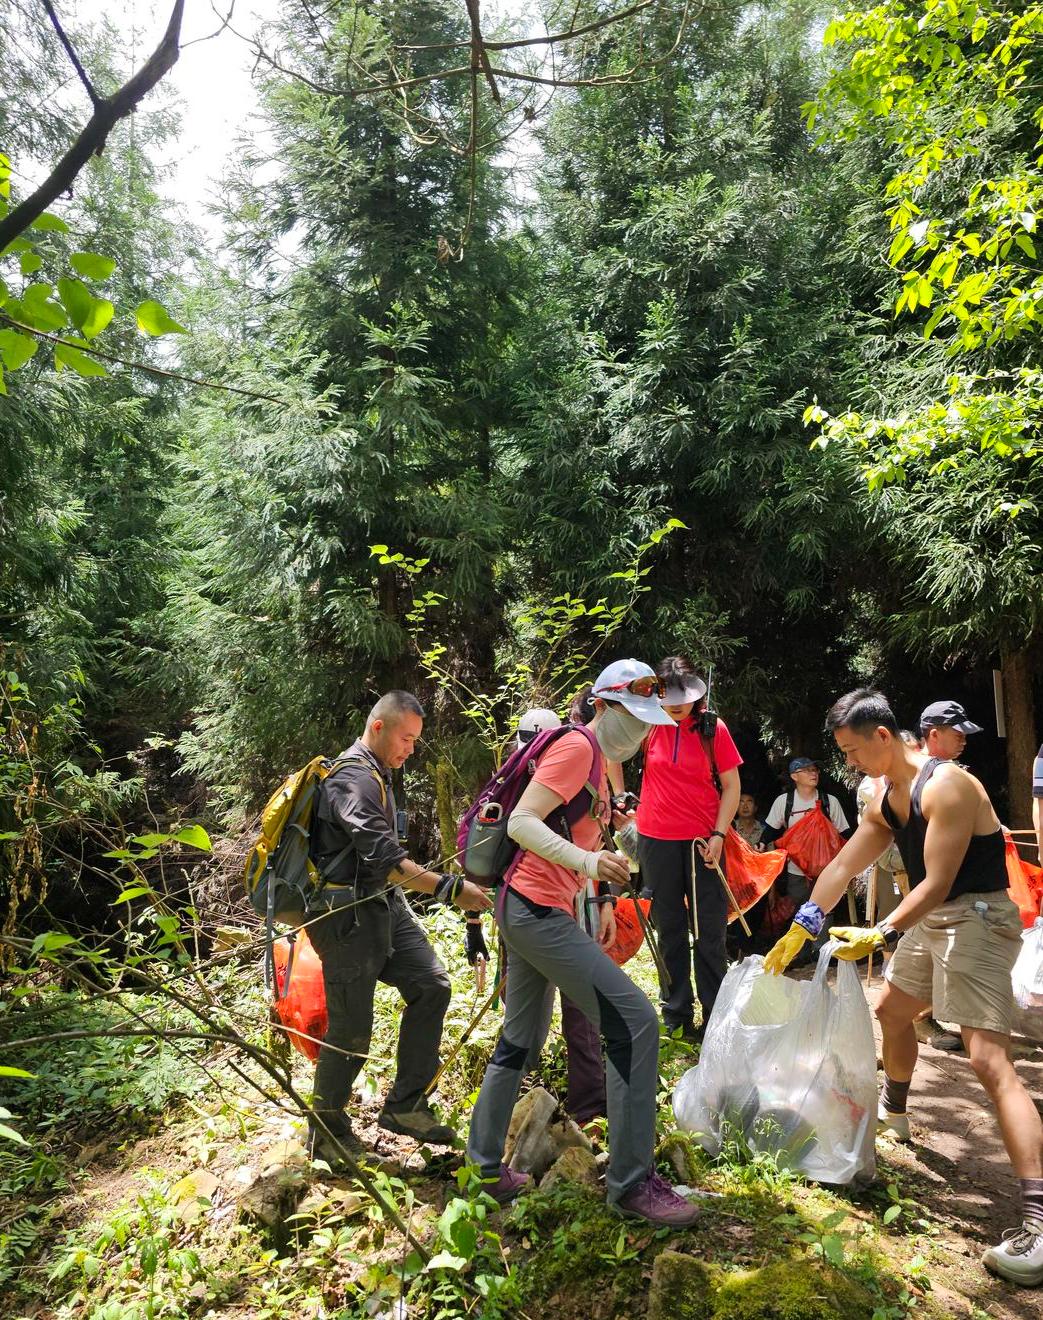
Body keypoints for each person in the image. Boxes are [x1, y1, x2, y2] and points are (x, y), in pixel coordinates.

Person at [765, 688, 1043, 1288]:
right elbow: (844, 864)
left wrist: (882, 931)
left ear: (884, 737)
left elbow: (938, 881)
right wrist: (804, 923)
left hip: (977, 918)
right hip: (930, 918)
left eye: (852, 751)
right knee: (892, 1010)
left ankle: (1039, 1223)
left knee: (987, 1059)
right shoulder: (885, 796)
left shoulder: (948, 786)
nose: (848, 763)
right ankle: (894, 1114)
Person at [467, 659, 700, 1226]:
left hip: (531, 907)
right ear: (601, 705)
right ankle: (632, 1184)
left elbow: (572, 837)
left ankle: (483, 1169)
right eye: (633, 717)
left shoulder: (598, 764)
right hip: (534, 910)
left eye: (648, 721)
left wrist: (596, 883)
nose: (640, 731)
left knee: (520, 1039)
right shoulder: (577, 747)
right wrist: (589, 863)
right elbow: (523, 823)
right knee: (635, 1022)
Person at [306, 690, 492, 1163]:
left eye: (415, 740)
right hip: (344, 915)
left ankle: (406, 1105)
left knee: (431, 985)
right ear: (378, 727)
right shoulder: (351, 778)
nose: (411, 749)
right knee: (351, 1028)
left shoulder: (380, 773)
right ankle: (326, 1134)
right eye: (406, 738)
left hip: (382, 905)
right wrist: (449, 889)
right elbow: (385, 860)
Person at [635, 655, 742, 1042]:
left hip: (703, 842)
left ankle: (715, 1018)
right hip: (655, 838)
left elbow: (732, 786)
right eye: (670, 695)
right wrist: (619, 798)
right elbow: (612, 753)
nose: (677, 704)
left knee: (710, 930)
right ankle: (676, 1014)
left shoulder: (713, 728)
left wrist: (719, 834)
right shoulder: (647, 724)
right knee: (669, 929)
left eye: (684, 695)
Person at [516, 704, 608, 1126]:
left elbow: (596, 837)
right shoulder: (524, 782)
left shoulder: (580, 765)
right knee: (529, 1012)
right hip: (537, 902)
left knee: (581, 1003)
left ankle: (587, 1104)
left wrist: (605, 899)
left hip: (575, 899)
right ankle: (525, 1096)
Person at [761, 757, 852, 947]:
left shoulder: (828, 801)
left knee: (824, 907)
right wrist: (761, 843)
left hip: (825, 867)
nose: (814, 773)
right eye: (807, 770)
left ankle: (821, 950)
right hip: (796, 868)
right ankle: (800, 951)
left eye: (815, 770)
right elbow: (771, 829)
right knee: (798, 908)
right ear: (795, 776)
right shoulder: (785, 802)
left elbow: (844, 833)